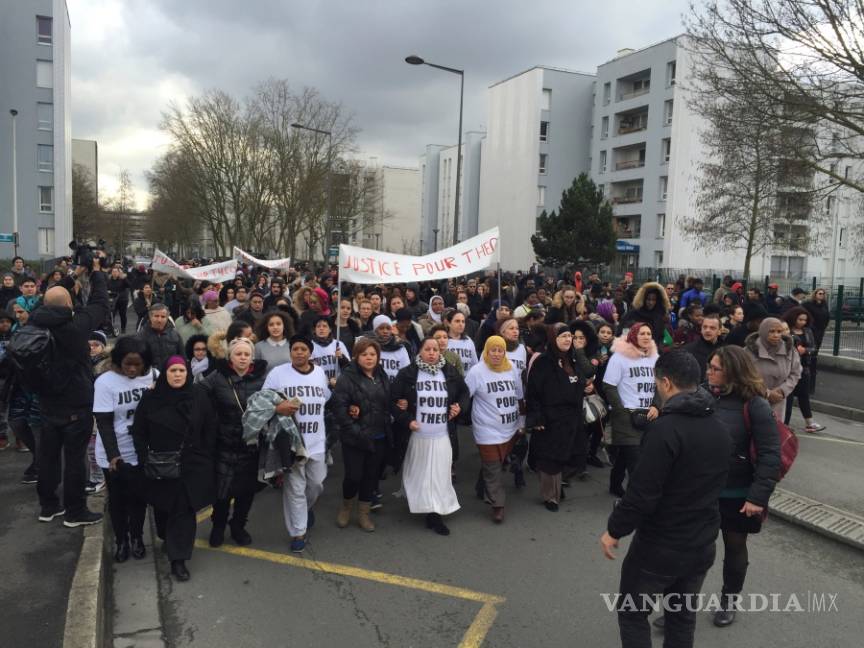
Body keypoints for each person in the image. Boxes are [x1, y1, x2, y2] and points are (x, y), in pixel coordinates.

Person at [600, 350, 732, 648]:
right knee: (682, 617)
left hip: (660, 546)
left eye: (658, 383)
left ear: (667, 383)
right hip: (702, 543)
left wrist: (614, 530)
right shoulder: (719, 427)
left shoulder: (664, 430)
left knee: (633, 614)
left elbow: (641, 494)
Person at [29, 257, 110, 527]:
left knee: (48, 458)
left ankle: (48, 506)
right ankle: (75, 511)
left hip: (47, 403)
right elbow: (100, 303)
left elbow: (49, 299)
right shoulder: (75, 328)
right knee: (75, 461)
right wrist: (96, 273)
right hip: (76, 405)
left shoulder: (33, 322)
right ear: (70, 304)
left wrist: (73, 276)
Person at [705, 346, 781, 627]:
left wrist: (757, 498)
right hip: (702, 491)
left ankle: (729, 599)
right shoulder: (703, 396)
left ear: (733, 372)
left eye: (715, 368)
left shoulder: (755, 405)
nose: (709, 372)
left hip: (738, 493)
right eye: (709, 366)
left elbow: (770, 454)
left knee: (734, 548)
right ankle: (680, 603)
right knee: (692, 548)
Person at [133, 355, 216, 582]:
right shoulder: (151, 398)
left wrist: (206, 456)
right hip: (161, 465)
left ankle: (178, 560)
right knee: (164, 508)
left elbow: (209, 427)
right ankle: (166, 537)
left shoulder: (198, 395)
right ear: (165, 374)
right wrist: (145, 459)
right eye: (173, 371)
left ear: (187, 373)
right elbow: (139, 432)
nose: (178, 375)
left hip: (191, 465)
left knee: (184, 511)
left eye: (181, 371)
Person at [391, 337, 469, 535]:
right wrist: (406, 419)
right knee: (420, 474)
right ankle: (423, 505)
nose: (432, 353)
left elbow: (464, 393)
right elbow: (392, 401)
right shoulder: (408, 374)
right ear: (420, 352)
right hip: (418, 436)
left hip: (442, 435)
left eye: (435, 349)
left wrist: (458, 407)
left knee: (440, 475)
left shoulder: (450, 372)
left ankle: (434, 514)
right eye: (428, 349)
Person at [263, 335, 331, 552]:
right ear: (290, 351)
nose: (299, 352)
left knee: (316, 484)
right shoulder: (278, 374)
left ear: (310, 353)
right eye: (295, 349)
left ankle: (306, 508)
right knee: (295, 489)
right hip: (291, 443)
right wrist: (277, 408)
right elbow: (262, 400)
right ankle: (298, 532)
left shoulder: (320, 373)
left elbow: (326, 399)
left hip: (317, 441)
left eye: (303, 349)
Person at [93, 336, 156, 562]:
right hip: (114, 453)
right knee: (118, 500)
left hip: (140, 452)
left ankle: (137, 537)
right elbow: (104, 422)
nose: (131, 369)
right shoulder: (105, 382)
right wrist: (113, 455)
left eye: (137, 364)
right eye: (127, 363)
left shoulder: (153, 376)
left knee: (138, 500)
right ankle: (121, 541)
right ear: (118, 360)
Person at [200, 338, 268, 547]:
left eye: (247, 354)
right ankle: (218, 526)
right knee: (222, 493)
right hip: (224, 444)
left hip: (251, 445)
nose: (243, 358)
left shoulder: (262, 377)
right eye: (238, 354)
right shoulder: (217, 377)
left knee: (246, 492)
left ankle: (238, 526)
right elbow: (198, 396)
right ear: (230, 356)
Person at [526, 324, 591, 511]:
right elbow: (534, 392)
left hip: (573, 419)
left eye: (569, 336)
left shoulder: (573, 359)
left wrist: (584, 387)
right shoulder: (544, 362)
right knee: (550, 459)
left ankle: (558, 484)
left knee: (576, 455)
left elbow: (578, 381)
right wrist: (536, 418)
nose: (567, 340)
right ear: (553, 339)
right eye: (562, 336)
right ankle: (550, 496)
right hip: (551, 419)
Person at [330, 338, 392, 532]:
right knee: (353, 476)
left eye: (373, 354)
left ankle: (364, 513)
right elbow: (339, 408)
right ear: (356, 356)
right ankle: (346, 506)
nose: (369, 358)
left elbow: (386, 403)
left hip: (379, 436)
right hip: (355, 438)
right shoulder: (347, 377)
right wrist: (354, 424)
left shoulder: (382, 375)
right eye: (364, 354)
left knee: (370, 477)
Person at [465, 336, 524, 523]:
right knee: (493, 466)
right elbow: (464, 395)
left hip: (510, 427)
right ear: (486, 351)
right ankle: (498, 505)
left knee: (497, 463)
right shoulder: (477, 372)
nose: (497, 354)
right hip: (486, 429)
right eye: (493, 350)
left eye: (500, 350)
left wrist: (521, 422)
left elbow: (519, 397)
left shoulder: (511, 368)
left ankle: (481, 487)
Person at [603, 323, 659, 498]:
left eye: (649, 333)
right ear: (633, 335)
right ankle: (638, 498)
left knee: (625, 454)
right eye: (642, 333)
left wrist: (656, 405)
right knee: (635, 457)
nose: (646, 336)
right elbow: (609, 386)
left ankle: (615, 484)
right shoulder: (619, 357)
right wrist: (620, 411)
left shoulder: (654, 358)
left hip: (648, 414)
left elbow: (660, 385)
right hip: (626, 414)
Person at [745, 317, 802, 419]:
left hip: (778, 401)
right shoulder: (748, 351)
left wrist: (783, 390)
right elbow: (743, 376)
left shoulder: (790, 351)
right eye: (771, 331)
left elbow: (796, 373)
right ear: (763, 332)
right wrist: (767, 393)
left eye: (779, 331)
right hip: (753, 401)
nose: (776, 335)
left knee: (776, 431)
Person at [782, 307, 824, 432]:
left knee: (804, 395)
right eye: (800, 319)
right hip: (788, 368)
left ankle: (809, 423)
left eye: (805, 320)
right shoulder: (785, 329)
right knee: (788, 397)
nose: (802, 322)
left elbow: (813, 347)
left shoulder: (807, 331)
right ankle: (785, 424)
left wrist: (805, 350)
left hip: (803, 367)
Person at [621, 282, 671, 348]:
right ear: (643, 299)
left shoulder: (659, 316)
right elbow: (624, 332)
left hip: (653, 352)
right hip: (635, 350)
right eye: (648, 299)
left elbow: (661, 336)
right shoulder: (633, 314)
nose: (651, 302)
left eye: (654, 300)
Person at [803, 288, 830, 395]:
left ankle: (811, 368)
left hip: (820, 332)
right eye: (820, 293)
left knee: (815, 352)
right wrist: (811, 327)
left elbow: (827, 316)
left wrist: (823, 327)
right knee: (810, 352)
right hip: (811, 331)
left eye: (823, 294)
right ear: (815, 294)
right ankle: (807, 369)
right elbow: (805, 316)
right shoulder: (808, 304)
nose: (822, 295)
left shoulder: (824, 304)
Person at [310, 316, 350, 386]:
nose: (321, 328)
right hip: (319, 385)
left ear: (330, 329)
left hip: (338, 384)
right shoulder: (309, 346)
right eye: (318, 326)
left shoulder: (339, 344)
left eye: (325, 326)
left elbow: (349, 367)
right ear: (314, 330)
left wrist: (342, 358)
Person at [107, 266, 132, 334]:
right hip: (112, 300)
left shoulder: (122, 279)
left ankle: (123, 328)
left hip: (122, 300)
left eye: (116, 272)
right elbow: (106, 288)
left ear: (118, 273)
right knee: (112, 315)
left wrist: (124, 278)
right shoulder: (109, 280)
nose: (114, 273)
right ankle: (111, 328)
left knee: (122, 314)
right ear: (111, 273)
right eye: (113, 272)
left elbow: (129, 285)